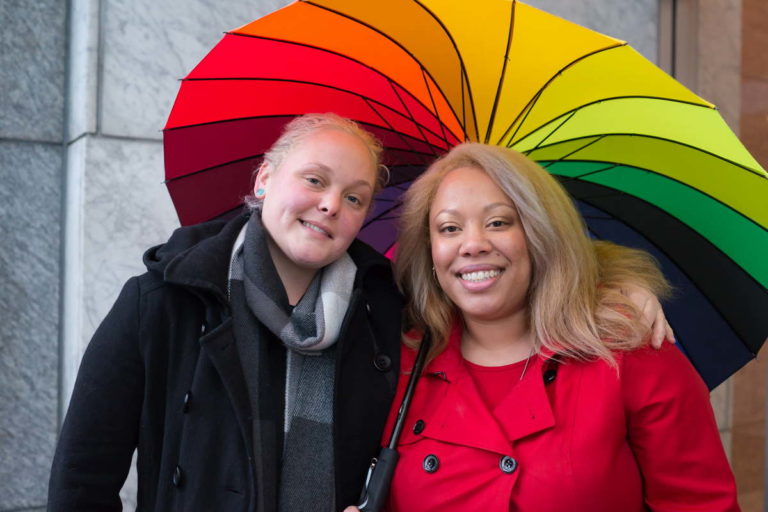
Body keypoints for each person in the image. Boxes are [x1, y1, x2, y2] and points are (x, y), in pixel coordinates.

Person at [48, 114, 671, 512]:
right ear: (266, 177)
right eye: (314, 181)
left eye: (354, 197)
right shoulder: (162, 302)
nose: (329, 206)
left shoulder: (382, 306)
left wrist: (617, 283)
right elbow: (82, 480)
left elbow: (495, 274)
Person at [346, 143, 739, 512]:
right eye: (449, 228)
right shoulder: (394, 358)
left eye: (498, 222)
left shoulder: (629, 353)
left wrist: (614, 283)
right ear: (429, 250)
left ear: (538, 237)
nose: (473, 244)